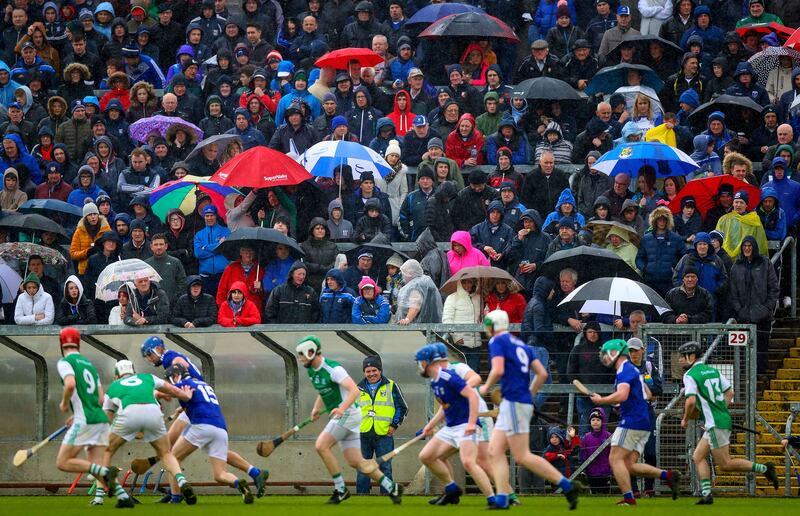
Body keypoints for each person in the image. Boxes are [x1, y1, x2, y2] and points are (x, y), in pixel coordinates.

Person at [139, 336, 268, 496]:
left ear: (158, 349)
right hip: (200, 402)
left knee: (169, 450)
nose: (150, 359)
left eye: (149, 354)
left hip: (196, 402)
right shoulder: (172, 361)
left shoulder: (171, 358)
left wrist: (161, 393)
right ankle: (255, 473)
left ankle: (175, 495)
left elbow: (181, 368)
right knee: (216, 452)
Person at [479, 310, 581, 510]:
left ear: (492, 325)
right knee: (494, 450)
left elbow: (498, 370)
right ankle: (502, 499)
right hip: (518, 402)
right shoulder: (522, 345)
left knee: (522, 456)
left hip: (514, 403)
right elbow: (542, 374)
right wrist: (529, 395)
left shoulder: (497, 341)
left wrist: (485, 387)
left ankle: (567, 485)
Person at [295, 335, 402, 504]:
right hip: (352, 419)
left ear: (312, 352)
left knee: (321, 445)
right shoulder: (311, 370)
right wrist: (316, 408)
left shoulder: (333, 369)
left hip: (348, 415)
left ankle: (340, 489)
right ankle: (391, 487)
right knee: (357, 462)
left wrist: (341, 408)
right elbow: (323, 390)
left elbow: (354, 391)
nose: (300, 358)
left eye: (302, 354)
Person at [678, 341, 779, 504]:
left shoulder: (690, 375)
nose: (680, 360)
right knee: (697, 456)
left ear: (691, 356)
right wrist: (719, 410)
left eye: (682, 357)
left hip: (715, 424)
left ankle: (764, 468)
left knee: (725, 464)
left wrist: (685, 419)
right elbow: (730, 393)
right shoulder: (713, 370)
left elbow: (690, 402)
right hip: (720, 420)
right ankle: (707, 494)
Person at [590, 339, 680, 505]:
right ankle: (667, 476)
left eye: (607, 354)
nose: (605, 358)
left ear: (616, 354)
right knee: (629, 464)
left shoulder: (625, 370)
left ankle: (629, 498)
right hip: (643, 420)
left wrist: (602, 400)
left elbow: (623, 395)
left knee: (614, 459)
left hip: (632, 421)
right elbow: (645, 393)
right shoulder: (632, 370)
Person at [102, 360, 195, 505]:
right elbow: (172, 390)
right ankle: (182, 481)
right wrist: (186, 396)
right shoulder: (147, 377)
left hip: (128, 413)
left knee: (106, 451)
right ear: (134, 371)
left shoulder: (113, 387)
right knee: (166, 453)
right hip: (153, 412)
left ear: (116, 375)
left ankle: (118, 494)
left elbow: (106, 418)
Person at [415, 344, 497, 507]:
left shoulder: (448, 377)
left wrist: (472, 423)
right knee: (426, 456)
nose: (419, 366)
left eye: (420, 362)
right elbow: (444, 408)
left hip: (466, 424)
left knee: (468, 462)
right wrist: (429, 426)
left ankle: (493, 499)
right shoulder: (434, 382)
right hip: (451, 427)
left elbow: (472, 397)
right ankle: (451, 488)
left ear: (427, 362)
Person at [163, 363, 257, 504]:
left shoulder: (183, 383)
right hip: (220, 429)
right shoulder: (203, 384)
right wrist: (180, 410)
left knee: (172, 458)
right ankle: (238, 483)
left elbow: (164, 391)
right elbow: (200, 403)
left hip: (202, 426)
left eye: (171, 378)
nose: (170, 382)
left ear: (177, 375)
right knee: (220, 474)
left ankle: (176, 497)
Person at [55, 328, 120, 506]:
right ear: (78, 343)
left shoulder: (65, 362)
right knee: (97, 460)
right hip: (100, 419)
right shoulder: (90, 365)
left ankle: (103, 472)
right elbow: (100, 398)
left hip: (85, 420)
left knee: (62, 462)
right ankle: (121, 497)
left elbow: (70, 385)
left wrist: (64, 404)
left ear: (62, 344)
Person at [356, 355, 407, 494]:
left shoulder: (391, 385)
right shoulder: (357, 389)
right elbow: (351, 411)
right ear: (364, 372)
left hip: (384, 434)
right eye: (368, 371)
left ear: (380, 370)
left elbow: (402, 407)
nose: (371, 374)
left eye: (374, 370)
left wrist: (394, 425)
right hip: (363, 434)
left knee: (385, 467)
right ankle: (361, 496)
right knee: (363, 468)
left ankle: (386, 495)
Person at [729, 237, 779, 373]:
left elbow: (774, 288)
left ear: (754, 247)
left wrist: (767, 307)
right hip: (743, 315)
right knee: (744, 348)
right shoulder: (736, 266)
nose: (747, 248)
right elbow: (732, 292)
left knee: (762, 347)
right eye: (744, 245)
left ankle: (760, 374)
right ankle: (745, 373)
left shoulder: (765, 263)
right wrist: (739, 310)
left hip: (763, 315)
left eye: (750, 245)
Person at [626, 337, 663, 497]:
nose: (633, 354)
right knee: (629, 453)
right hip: (630, 412)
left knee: (650, 453)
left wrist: (642, 388)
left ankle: (649, 487)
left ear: (642, 350)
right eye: (630, 351)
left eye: (636, 350)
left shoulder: (649, 366)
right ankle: (633, 489)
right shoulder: (624, 368)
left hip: (647, 412)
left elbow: (659, 388)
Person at [635, 206, 685, 295]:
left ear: (668, 221)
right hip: (650, 281)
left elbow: (684, 257)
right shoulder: (646, 239)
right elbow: (639, 258)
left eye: (664, 220)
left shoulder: (676, 239)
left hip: (669, 281)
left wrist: (675, 269)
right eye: (659, 219)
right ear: (655, 221)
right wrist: (645, 268)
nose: (662, 222)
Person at [395, 259, 442, 324]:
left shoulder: (416, 285)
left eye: (404, 272)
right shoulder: (424, 281)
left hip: (417, 328)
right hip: (429, 325)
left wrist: (407, 319)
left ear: (410, 273)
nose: (403, 276)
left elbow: (415, 305)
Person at [581, 408, 612, 494]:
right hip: (591, 472)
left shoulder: (608, 436)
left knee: (605, 493)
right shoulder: (587, 437)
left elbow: (612, 453)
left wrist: (610, 467)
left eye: (598, 420)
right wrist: (585, 468)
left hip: (605, 472)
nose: (595, 422)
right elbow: (584, 454)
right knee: (594, 493)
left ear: (603, 421)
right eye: (593, 420)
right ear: (590, 422)